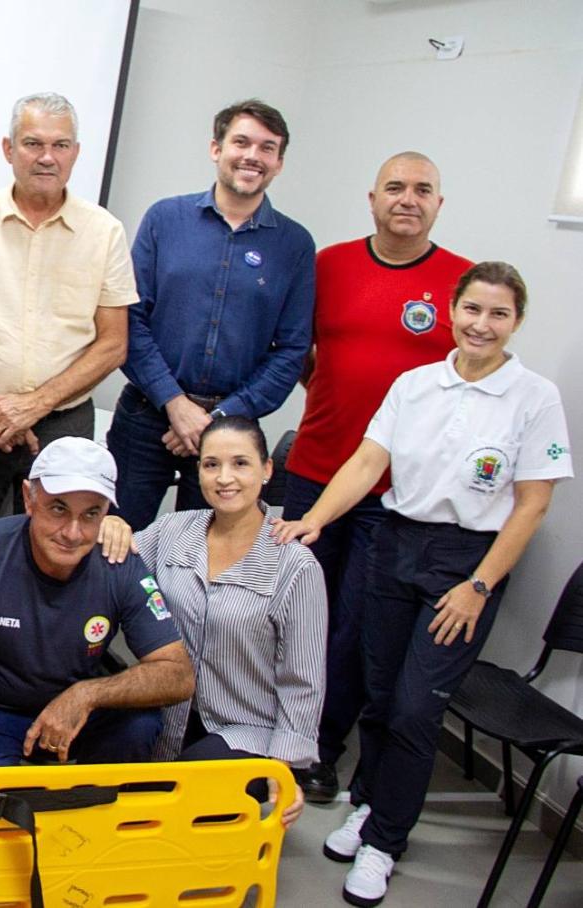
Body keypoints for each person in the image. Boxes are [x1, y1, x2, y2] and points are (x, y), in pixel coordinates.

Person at [274, 262, 572, 906]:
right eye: (472, 309)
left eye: (498, 314)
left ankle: (385, 842)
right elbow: (368, 462)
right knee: (380, 695)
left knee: (416, 708)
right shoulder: (416, 384)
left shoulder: (534, 397)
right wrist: (315, 519)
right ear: (452, 312)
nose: (482, 324)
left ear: (516, 322)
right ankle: (368, 802)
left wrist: (479, 586)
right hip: (394, 546)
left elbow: (532, 506)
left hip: (466, 564)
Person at [286, 152, 472, 803]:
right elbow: (300, 353)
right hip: (314, 470)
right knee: (295, 611)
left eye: (423, 189)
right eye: (395, 187)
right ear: (372, 199)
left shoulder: (461, 281)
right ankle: (274, 730)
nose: (407, 199)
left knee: (353, 626)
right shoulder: (329, 265)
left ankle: (321, 748)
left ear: (439, 204)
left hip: (396, 492)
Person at [0, 93, 136, 552]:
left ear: (76, 153)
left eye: (60, 145)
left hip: (62, 418)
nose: (46, 157)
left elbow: (113, 344)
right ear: (8, 149)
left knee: (57, 550)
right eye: (33, 143)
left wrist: (33, 405)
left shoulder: (105, 232)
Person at [0, 436, 193, 768]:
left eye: (90, 514)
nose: (72, 533)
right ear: (29, 499)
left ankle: (94, 799)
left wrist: (86, 695)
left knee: (138, 726)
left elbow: (179, 676)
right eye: (58, 509)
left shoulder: (119, 563)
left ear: (106, 513)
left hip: (81, 708)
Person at [108, 99, 314, 528]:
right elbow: (131, 319)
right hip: (147, 416)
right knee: (116, 539)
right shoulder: (165, 219)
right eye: (241, 142)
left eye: (267, 148)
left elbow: (291, 350)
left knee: (207, 552)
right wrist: (175, 404)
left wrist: (215, 421)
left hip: (232, 431)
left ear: (279, 163)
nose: (253, 156)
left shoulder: (294, 244)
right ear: (216, 148)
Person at [113, 417, 324, 830]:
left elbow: (304, 681)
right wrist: (111, 525)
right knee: (119, 784)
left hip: (244, 729)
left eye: (240, 463)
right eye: (212, 465)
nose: (225, 478)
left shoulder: (295, 565)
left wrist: (282, 768)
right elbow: (116, 566)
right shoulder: (173, 530)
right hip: (168, 714)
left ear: (266, 470)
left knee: (181, 799)